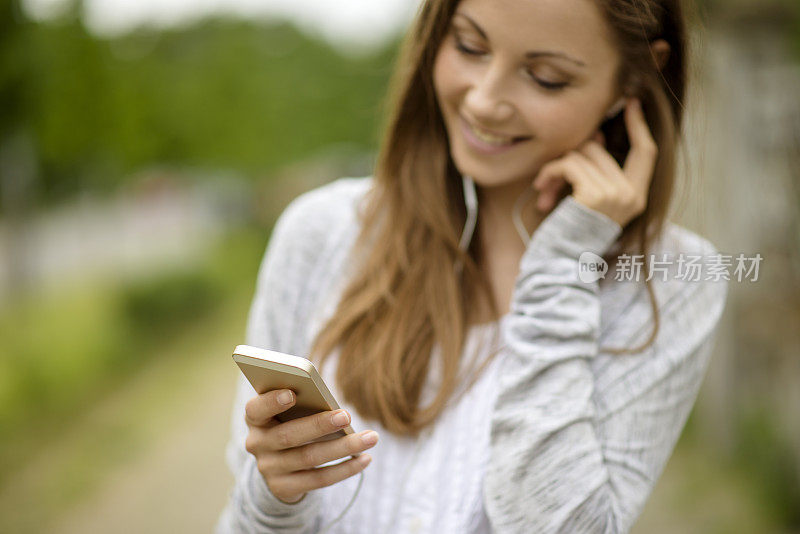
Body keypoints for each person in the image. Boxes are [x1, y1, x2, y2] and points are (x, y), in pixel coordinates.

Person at [216, 0, 728, 532]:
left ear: (636, 76)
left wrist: (562, 267)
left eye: (545, 77)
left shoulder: (670, 281)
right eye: (469, 46)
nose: (484, 101)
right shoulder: (322, 233)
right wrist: (274, 497)